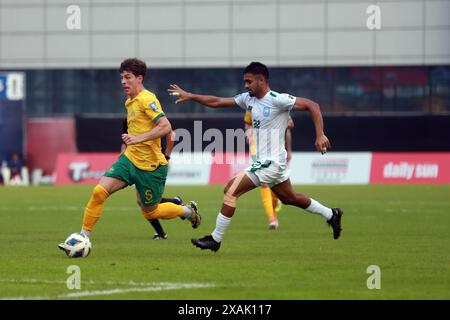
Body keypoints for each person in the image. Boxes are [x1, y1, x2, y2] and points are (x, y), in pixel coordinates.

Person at [168, 61, 343, 252]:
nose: (246, 85)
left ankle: (215, 239)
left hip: (270, 163)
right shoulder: (248, 99)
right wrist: (190, 95)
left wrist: (320, 134)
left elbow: (313, 105)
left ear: (261, 80)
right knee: (289, 198)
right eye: (245, 81)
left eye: (249, 81)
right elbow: (217, 101)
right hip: (273, 163)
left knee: (230, 190)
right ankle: (331, 214)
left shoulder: (278, 99)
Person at [59, 58, 201, 255]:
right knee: (99, 192)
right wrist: (128, 146)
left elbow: (166, 127)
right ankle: (83, 237)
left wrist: (137, 139)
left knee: (151, 211)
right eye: (122, 78)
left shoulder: (147, 99)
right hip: (130, 159)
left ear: (139, 78)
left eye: (128, 77)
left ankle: (187, 211)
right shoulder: (129, 101)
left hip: (150, 166)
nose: (123, 82)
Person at [121, 119, 183, 240]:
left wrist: (167, 156)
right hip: (138, 164)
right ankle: (175, 203)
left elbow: (172, 134)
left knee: (148, 203)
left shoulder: (151, 117)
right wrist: (124, 153)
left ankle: (176, 210)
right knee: (143, 201)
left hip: (156, 164)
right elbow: (126, 141)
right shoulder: (128, 119)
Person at [245, 111, 294, 229]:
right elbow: (247, 124)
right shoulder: (251, 106)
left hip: (275, 150)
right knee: (264, 183)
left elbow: (290, 125)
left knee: (275, 185)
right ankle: (272, 218)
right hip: (257, 150)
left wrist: (289, 150)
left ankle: (275, 206)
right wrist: (249, 133)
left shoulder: (277, 105)